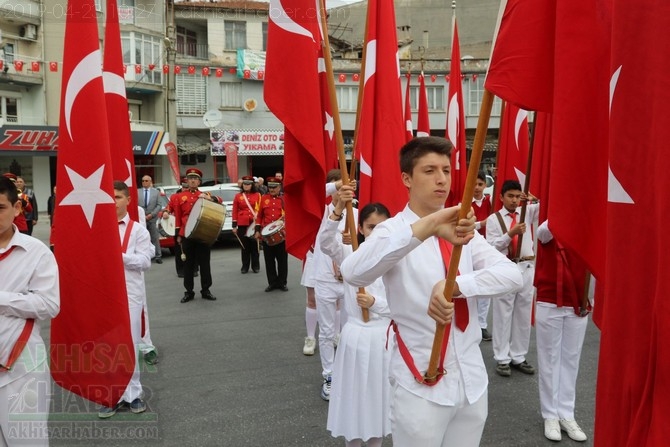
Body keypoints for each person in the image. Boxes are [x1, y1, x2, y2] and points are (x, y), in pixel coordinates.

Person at [340, 136, 522, 447]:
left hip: (471, 381)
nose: (441, 179)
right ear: (406, 179)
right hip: (421, 382)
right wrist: (433, 224)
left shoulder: (464, 231)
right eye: (429, 171)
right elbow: (354, 272)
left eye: (447, 170)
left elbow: (512, 275)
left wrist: (457, 287)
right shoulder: (392, 231)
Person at [322, 192, 392, 447]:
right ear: (360, 227)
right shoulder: (349, 253)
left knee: (378, 401)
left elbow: (403, 307)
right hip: (355, 336)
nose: (375, 232)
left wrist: (376, 304)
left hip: (383, 337)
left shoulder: (396, 259)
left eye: (382, 227)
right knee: (355, 400)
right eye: (371, 227)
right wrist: (338, 208)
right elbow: (325, 242)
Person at [0, 175, 60, 445]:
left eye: (0, 208)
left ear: (17, 208)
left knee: (27, 441)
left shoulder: (36, 252)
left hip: (22, 367)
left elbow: (49, 305)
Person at [98, 181, 154, 418]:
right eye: (110, 197)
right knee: (107, 346)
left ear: (129, 200)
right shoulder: (98, 229)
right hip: (104, 295)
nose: (114, 201)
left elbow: (145, 261)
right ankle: (112, 394)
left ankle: (133, 393)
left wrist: (118, 257)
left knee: (129, 344)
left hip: (130, 295)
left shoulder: (138, 230)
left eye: (118, 197)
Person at [535, 220, 589, 442]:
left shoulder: (590, 232)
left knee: (571, 360)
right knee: (549, 361)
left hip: (579, 302)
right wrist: (569, 211)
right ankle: (550, 415)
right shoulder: (549, 229)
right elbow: (543, 232)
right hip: (550, 302)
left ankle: (567, 413)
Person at [485, 179, 539, 378]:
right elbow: (491, 246)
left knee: (523, 314)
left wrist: (535, 199)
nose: (515, 201)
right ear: (501, 197)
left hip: (526, 266)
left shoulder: (528, 212)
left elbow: (548, 210)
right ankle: (502, 358)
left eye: (518, 196)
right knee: (503, 314)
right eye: (511, 196)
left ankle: (518, 355)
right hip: (505, 267)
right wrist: (510, 234)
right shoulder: (494, 219)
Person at [313, 170, 356, 400]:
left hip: (350, 279)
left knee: (351, 330)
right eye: (336, 187)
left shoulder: (357, 213)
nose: (340, 191)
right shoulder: (319, 211)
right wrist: (339, 186)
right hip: (325, 278)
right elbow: (312, 193)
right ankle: (329, 374)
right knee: (328, 331)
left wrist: (357, 240)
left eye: (344, 187)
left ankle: (349, 373)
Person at [174, 168, 222, 303]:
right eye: (190, 178)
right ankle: (189, 291)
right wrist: (178, 234)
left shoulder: (205, 194)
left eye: (195, 179)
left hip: (202, 233)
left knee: (205, 264)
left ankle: (206, 290)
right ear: (187, 181)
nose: (193, 181)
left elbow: (220, 200)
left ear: (199, 181)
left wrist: (210, 198)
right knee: (188, 265)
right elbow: (178, 216)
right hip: (187, 235)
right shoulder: (179, 197)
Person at [255, 177, 288, 292]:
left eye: (274, 187)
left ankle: (282, 282)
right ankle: (272, 283)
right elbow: (259, 215)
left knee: (282, 260)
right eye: (270, 187)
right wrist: (257, 230)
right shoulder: (264, 198)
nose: (272, 189)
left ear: (279, 187)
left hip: (281, 234)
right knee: (269, 261)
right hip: (267, 235)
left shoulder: (284, 199)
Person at [472, 172, 494, 341]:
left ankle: (481, 325)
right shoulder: (464, 204)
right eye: (474, 184)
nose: (477, 187)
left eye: (480, 184)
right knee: (469, 287)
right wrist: (481, 223)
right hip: (468, 249)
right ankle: (470, 324)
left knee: (485, 290)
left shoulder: (490, 202)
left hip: (488, 249)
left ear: (485, 186)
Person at [232, 175, 262, 274]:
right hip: (242, 223)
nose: (246, 186)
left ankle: (255, 266)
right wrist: (234, 226)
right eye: (245, 184)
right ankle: (245, 266)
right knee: (244, 246)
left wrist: (257, 217)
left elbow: (260, 209)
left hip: (253, 223)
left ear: (252, 185)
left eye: (248, 184)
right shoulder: (238, 196)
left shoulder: (257, 195)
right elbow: (234, 211)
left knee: (255, 245)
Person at [162, 176, 189, 277]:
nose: (186, 189)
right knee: (179, 250)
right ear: (182, 186)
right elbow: (169, 207)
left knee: (192, 249)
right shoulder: (175, 197)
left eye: (187, 187)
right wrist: (166, 212)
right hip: (178, 226)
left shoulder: (196, 195)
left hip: (191, 226)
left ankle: (194, 268)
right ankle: (181, 270)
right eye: (184, 187)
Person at [138, 175, 164, 264]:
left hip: (152, 218)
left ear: (150, 181)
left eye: (146, 181)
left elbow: (159, 205)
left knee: (155, 237)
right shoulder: (137, 192)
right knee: (142, 238)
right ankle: (146, 256)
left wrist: (151, 215)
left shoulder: (156, 192)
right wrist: (142, 215)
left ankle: (158, 256)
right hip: (141, 219)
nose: (144, 182)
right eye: (143, 181)